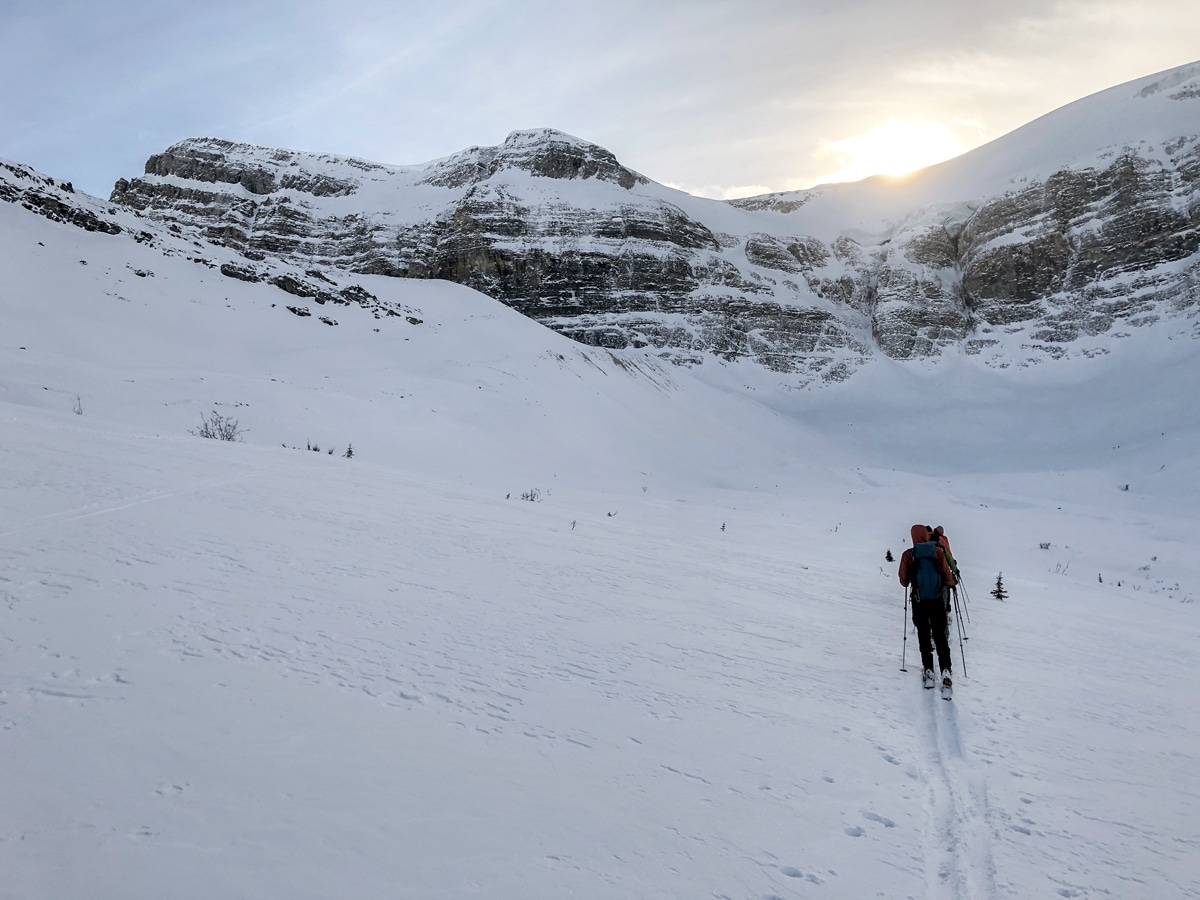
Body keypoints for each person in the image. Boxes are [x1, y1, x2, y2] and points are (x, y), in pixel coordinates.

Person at [898, 524, 956, 689]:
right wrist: (952, 582)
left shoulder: (908, 555)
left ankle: (929, 670)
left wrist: (910, 578)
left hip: (919, 602)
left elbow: (903, 580)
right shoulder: (937, 551)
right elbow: (946, 575)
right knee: (940, 636)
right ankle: (945, 669)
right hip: (937, 600)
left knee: (924, 635)